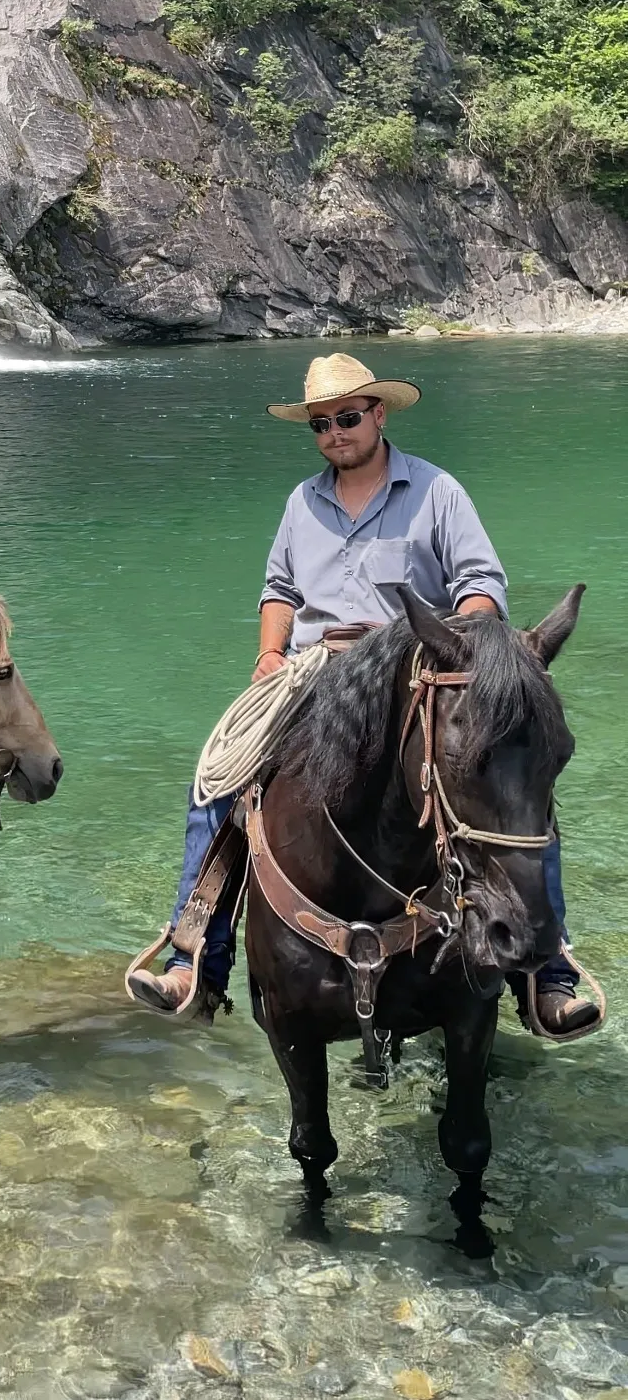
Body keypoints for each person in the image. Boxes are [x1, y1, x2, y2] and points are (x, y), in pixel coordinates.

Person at [127, 352, 598, 1037]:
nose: (333, 434)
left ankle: (546, 972)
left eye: (346, 418)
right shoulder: (301, 502)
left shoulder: (436, 492)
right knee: (218, 780)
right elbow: (279, 591)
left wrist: (452, 646)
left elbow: (480, 588)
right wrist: (267, 653)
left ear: (377, 415)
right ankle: (195, 959)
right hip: (317, 671)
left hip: (417, 669)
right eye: (320, 425)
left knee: (513, 787)